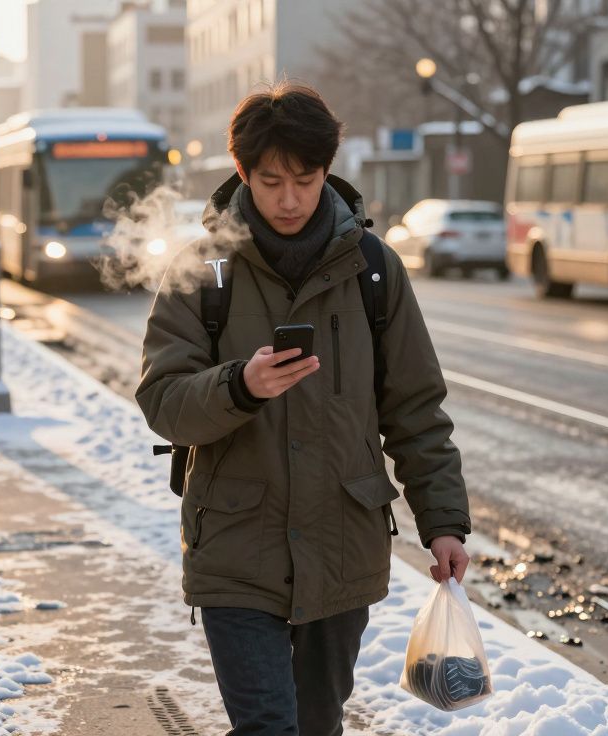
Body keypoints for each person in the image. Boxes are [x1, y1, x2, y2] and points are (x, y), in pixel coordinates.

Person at [136, 82, 472, 735]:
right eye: (270, 181)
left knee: (317, 725)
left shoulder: (374, 270)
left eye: (306, 178)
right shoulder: (203, 272)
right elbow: (163, 401)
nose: (289, 198)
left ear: (328, 170)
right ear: (243, 174)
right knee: (268, 726)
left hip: (340, 547)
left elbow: (415, 410)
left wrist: (444, 524)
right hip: (235, 549)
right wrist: (240, 386)